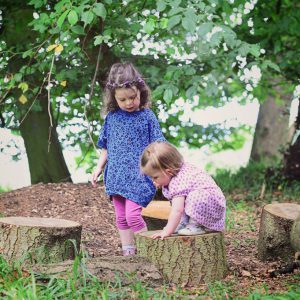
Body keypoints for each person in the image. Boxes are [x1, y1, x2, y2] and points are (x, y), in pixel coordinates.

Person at [91, 62, 165, 255]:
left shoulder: (147, 116)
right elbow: (106, 147)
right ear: (114, 98)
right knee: (121, 218)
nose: (129, 103)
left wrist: (160, 171)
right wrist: (98, 167)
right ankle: (128, 253)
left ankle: (149, 252)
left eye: (133, 97)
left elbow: (158, 145)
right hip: (116, 175)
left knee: (133, 215)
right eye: (123, 99)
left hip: (140, 176)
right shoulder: (112, 118)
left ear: (141, 92)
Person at [140, 141, 226, 240]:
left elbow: (178, 210)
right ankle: (184, 222)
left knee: (195, 196)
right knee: (189, 197)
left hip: (211, 204)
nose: (153, 181)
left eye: (155, 177)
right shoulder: (177, 172)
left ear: (168, 171)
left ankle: (196, 225)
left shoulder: (178, 181)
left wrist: (168, 230)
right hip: (211, 204)